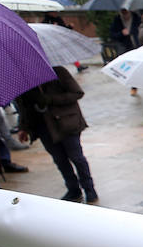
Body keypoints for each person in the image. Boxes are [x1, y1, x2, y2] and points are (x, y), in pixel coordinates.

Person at [15, 66, 98, 203]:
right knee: (60, 160)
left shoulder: (58, 71)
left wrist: (50, 99)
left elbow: (77, 93)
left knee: (76, 157)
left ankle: (89, 189)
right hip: (43, 127)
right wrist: (23, 127)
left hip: (66, 123)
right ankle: (73, 190)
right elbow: (24, 107)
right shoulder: (22, 78)